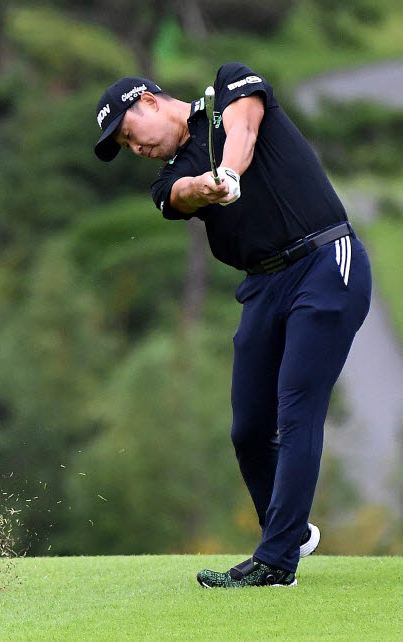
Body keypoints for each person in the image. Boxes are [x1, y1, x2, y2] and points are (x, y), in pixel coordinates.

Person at [93, 63, 372, 588]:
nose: (136, 149)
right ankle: (288, 533)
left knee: (296, 408)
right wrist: (205, 186)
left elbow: (243, 129)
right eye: (126, 147)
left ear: (151, 103)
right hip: (264, 287)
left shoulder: (230, 86)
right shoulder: (168, 178)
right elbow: (181, 197)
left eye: (130, 135)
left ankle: (276, 562)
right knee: (247, 428)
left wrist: (231, 175)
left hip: (325, 260)